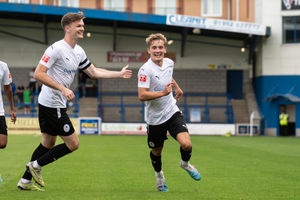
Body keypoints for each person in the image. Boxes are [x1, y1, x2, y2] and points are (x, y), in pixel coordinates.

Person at [17, 12, 132, 191]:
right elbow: (39, 73)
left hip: (55, 104)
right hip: (52, 103)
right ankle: (36, 166)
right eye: (79, 25)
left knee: (47, 143)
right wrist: (62, 89)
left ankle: (25, 181)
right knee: (73, 144)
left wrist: (118, 73)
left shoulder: (78, 51)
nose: (82, 28)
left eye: (82, 25)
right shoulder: (55, 49)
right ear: (67, 27)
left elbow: (93, 72)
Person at [137, 33, 200, 192]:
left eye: (160, 47)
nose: (157, 50)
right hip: (155, 118)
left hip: (172, 110)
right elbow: (142, 95)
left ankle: (185, 164)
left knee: (186, 144)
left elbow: (168, 77)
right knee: (157, 151)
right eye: (154, 48)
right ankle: (159, 175)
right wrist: (163, 93)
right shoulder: (145, 70)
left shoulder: (169, 62)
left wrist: (176, 87)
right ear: (149, 50)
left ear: (165, 49)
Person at [0, 61, 17, 149]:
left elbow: (8, 88)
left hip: (0, 111)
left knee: (2, 142)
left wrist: (12, 109)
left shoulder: (3, 66)